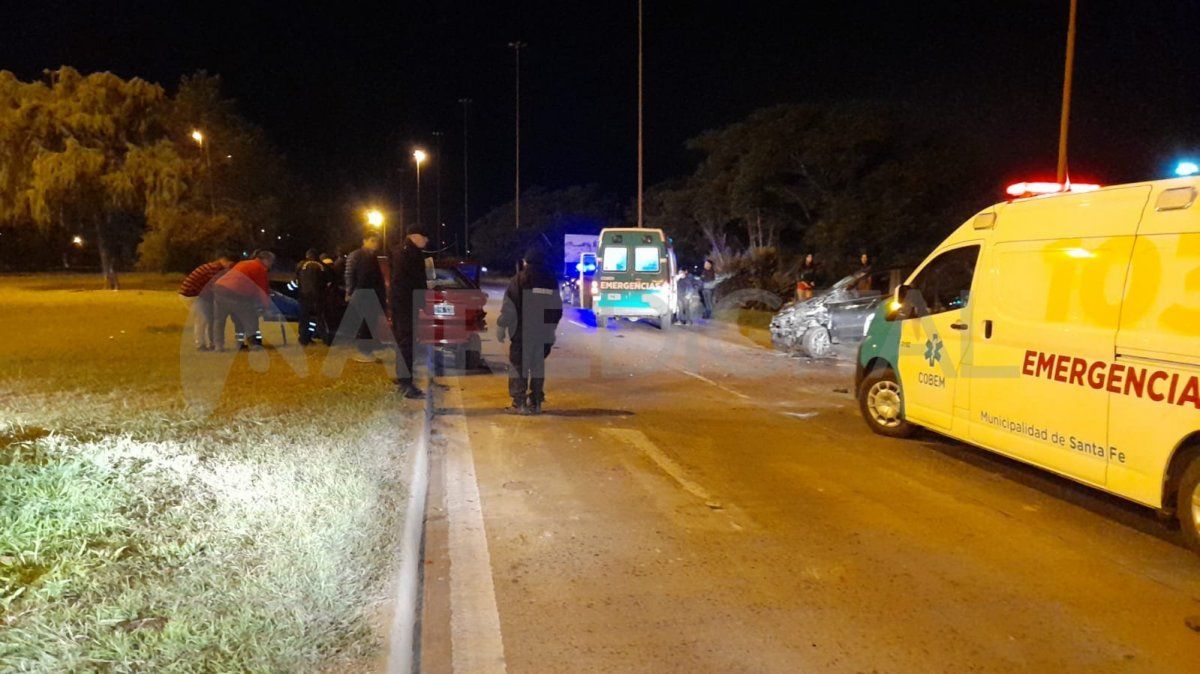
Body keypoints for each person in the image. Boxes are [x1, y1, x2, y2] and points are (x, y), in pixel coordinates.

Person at [498, 247, 563, 415]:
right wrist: (551, 329)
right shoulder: (550, 280)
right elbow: (557, 308)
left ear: (525, 262)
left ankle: (519, 403)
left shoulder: (519, 279)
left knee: (518, 367)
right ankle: (536, 402)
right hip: (543, 334)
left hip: (522, 333)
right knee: (537, 367)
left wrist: (502, 326)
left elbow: (509, 307)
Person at [389, 224, 431, 399]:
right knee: (407, 344)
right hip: (406, 305)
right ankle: (406, 384)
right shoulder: (408, 253)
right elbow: (406, 282)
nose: (427, 241)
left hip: (403, 304)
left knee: (403, 343)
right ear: (416, 236)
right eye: (425, 237)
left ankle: (403, 378)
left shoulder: (401, 250)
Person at [213, 250, 276, 351]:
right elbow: (262, 290)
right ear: (265, 260)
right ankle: (254, 344)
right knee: (249, 318)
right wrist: (266, 307)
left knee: (219, 320)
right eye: (271, 262)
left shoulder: (243, 263)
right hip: (236, 293)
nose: (271, 265)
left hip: (219, 288)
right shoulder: (260, 268)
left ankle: (218, 346)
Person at [344, 234, 387, 362]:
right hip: (362, 293)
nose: (375, 244)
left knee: (371, 322)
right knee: (365, 323)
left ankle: (368, 350)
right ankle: (363, 351)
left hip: (373, 294)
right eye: (372, 241)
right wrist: (350, 291)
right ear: (364, 241)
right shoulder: (356, 255)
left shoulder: (373, 256)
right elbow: (349, 274)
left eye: (377, 241)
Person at [179, 254, 233, 351]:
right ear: (223, 260)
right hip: (191, 295)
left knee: (209, 318)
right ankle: (200, 345)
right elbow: (215, 287)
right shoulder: (214, 269)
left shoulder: (215, 268)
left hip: (196, 294)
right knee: (202, 319)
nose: (229, 266)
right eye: (229, 263)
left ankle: (210, 344)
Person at [295, 249, 328, 345]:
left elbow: (297, 279)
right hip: (319, 295)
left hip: (304, 295)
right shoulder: (322, 266)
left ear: (307, 255)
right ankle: (325, 339)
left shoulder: (301, 265)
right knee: (320, 318)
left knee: (304, 317)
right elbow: (327, 280)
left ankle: (304, 339)